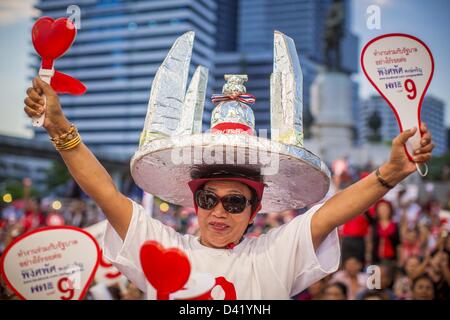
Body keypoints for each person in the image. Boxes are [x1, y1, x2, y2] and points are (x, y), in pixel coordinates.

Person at [22, 31, 435, 299]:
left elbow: (330, 213)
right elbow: (103, 191)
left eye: (235, 203)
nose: (218, 211)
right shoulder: (161, 247)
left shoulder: (272, 255)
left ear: (255, 210)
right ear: (195, 202)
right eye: (208, 198)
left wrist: (393, 172)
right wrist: (59, 126)